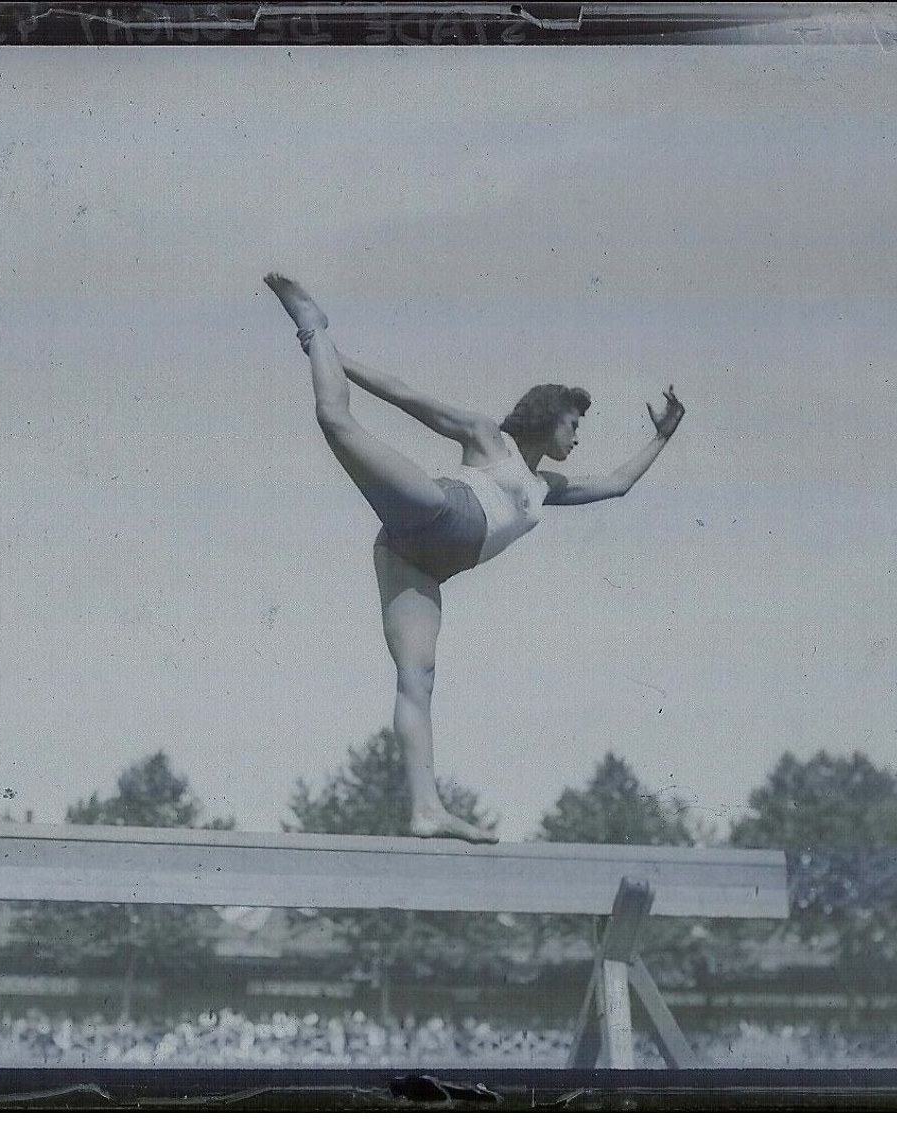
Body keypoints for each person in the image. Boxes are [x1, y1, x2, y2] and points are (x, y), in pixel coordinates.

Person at [264, 273, 685, 843]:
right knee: (337, 423)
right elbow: (403, 394)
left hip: (419, 566)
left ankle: (426, 810)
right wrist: (332, 354)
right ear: (548, 416)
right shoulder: (490, 439)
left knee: (419, 677)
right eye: (574, 425)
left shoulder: (549, 487)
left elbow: (616, 485)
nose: (578, 439)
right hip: (437, 511)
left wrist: (662, 438)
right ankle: (313, 326)